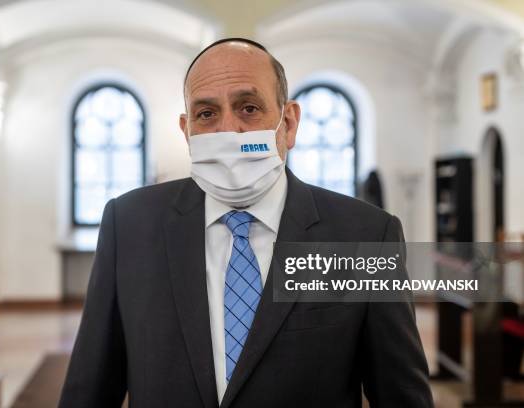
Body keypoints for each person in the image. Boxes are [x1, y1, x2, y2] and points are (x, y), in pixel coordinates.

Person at [58, 38, 433, 408]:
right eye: (207, 114)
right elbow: (90, 388)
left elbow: (401, 394)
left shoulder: (365, 236)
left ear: (288, 123)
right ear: (187, 131)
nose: (228, 131)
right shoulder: (129, 226)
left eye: (249, 108)